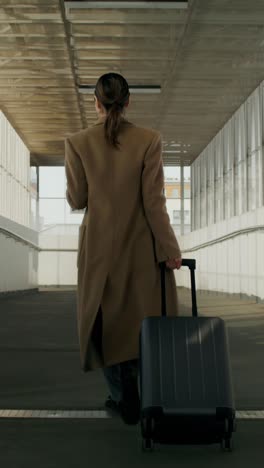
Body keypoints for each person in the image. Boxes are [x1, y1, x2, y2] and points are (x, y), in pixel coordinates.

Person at [64, 73, 182, 425]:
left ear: (95, 103)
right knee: (146, 319)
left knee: (105, 321)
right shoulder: (149, 140)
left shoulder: (77, 142)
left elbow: (77, 199)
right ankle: (151, 395)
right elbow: (154, 202)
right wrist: (170, 248)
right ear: (129, 102)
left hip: (99, 248)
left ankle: (121, 393)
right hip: (141, 246)